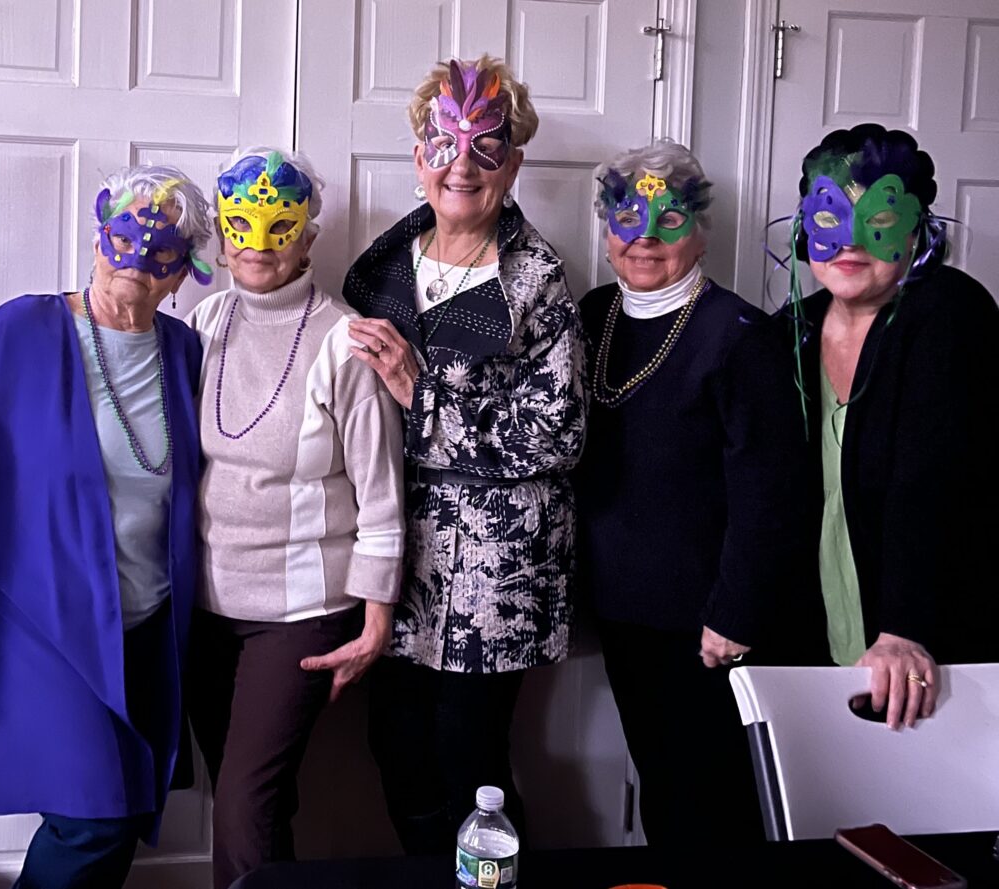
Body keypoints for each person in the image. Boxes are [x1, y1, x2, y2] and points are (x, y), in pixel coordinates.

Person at [343, 56, 587, 852]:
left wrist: (425, 396)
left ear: (513, 164)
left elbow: (558, 433)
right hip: (395, 563)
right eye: (442, 144)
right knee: (395, 751)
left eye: (487, 146)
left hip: (493, 579)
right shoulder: (382, 267)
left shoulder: (535, 279)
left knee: (469, 764)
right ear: (418, 158)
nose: (461, 164)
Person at [0, 165, 212, 888]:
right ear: (98, 230)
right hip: (37, 619)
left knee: (129, 801)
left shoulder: (183, 350)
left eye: (161, 249)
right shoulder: (21, 328)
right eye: (123, 235)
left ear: (185, 272)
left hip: (144, 620)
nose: (135, 260)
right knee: (94, 817)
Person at [575, 141, 810, 852]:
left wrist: (736, 611)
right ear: (606, 226)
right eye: (628, 215)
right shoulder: (591, 315)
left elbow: (770, 490)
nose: (645, 236)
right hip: (621, 607)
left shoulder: (740, 337)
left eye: (669, 218)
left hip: (706, 624)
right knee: (661, 782)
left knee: (710, 801)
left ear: (700, 230)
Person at [186, 147, 405, 889]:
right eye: (239, 225)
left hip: (304, 610)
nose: (257, 243)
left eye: (280, 226)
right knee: (250, 800)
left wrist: (376, 616)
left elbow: (381, 494)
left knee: (244, 805)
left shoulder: (347, 341)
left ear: (308, 236)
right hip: (210, 606)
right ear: (219, 232)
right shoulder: (205, 318)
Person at [784, 123, 999, 730]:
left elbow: (933, 477)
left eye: (878, 217)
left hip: (926, 630)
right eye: (830, 214)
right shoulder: (790, 332)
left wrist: (907, 627)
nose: (852, 241)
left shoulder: (948, 312)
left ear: (915, 232)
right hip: (824, 620)